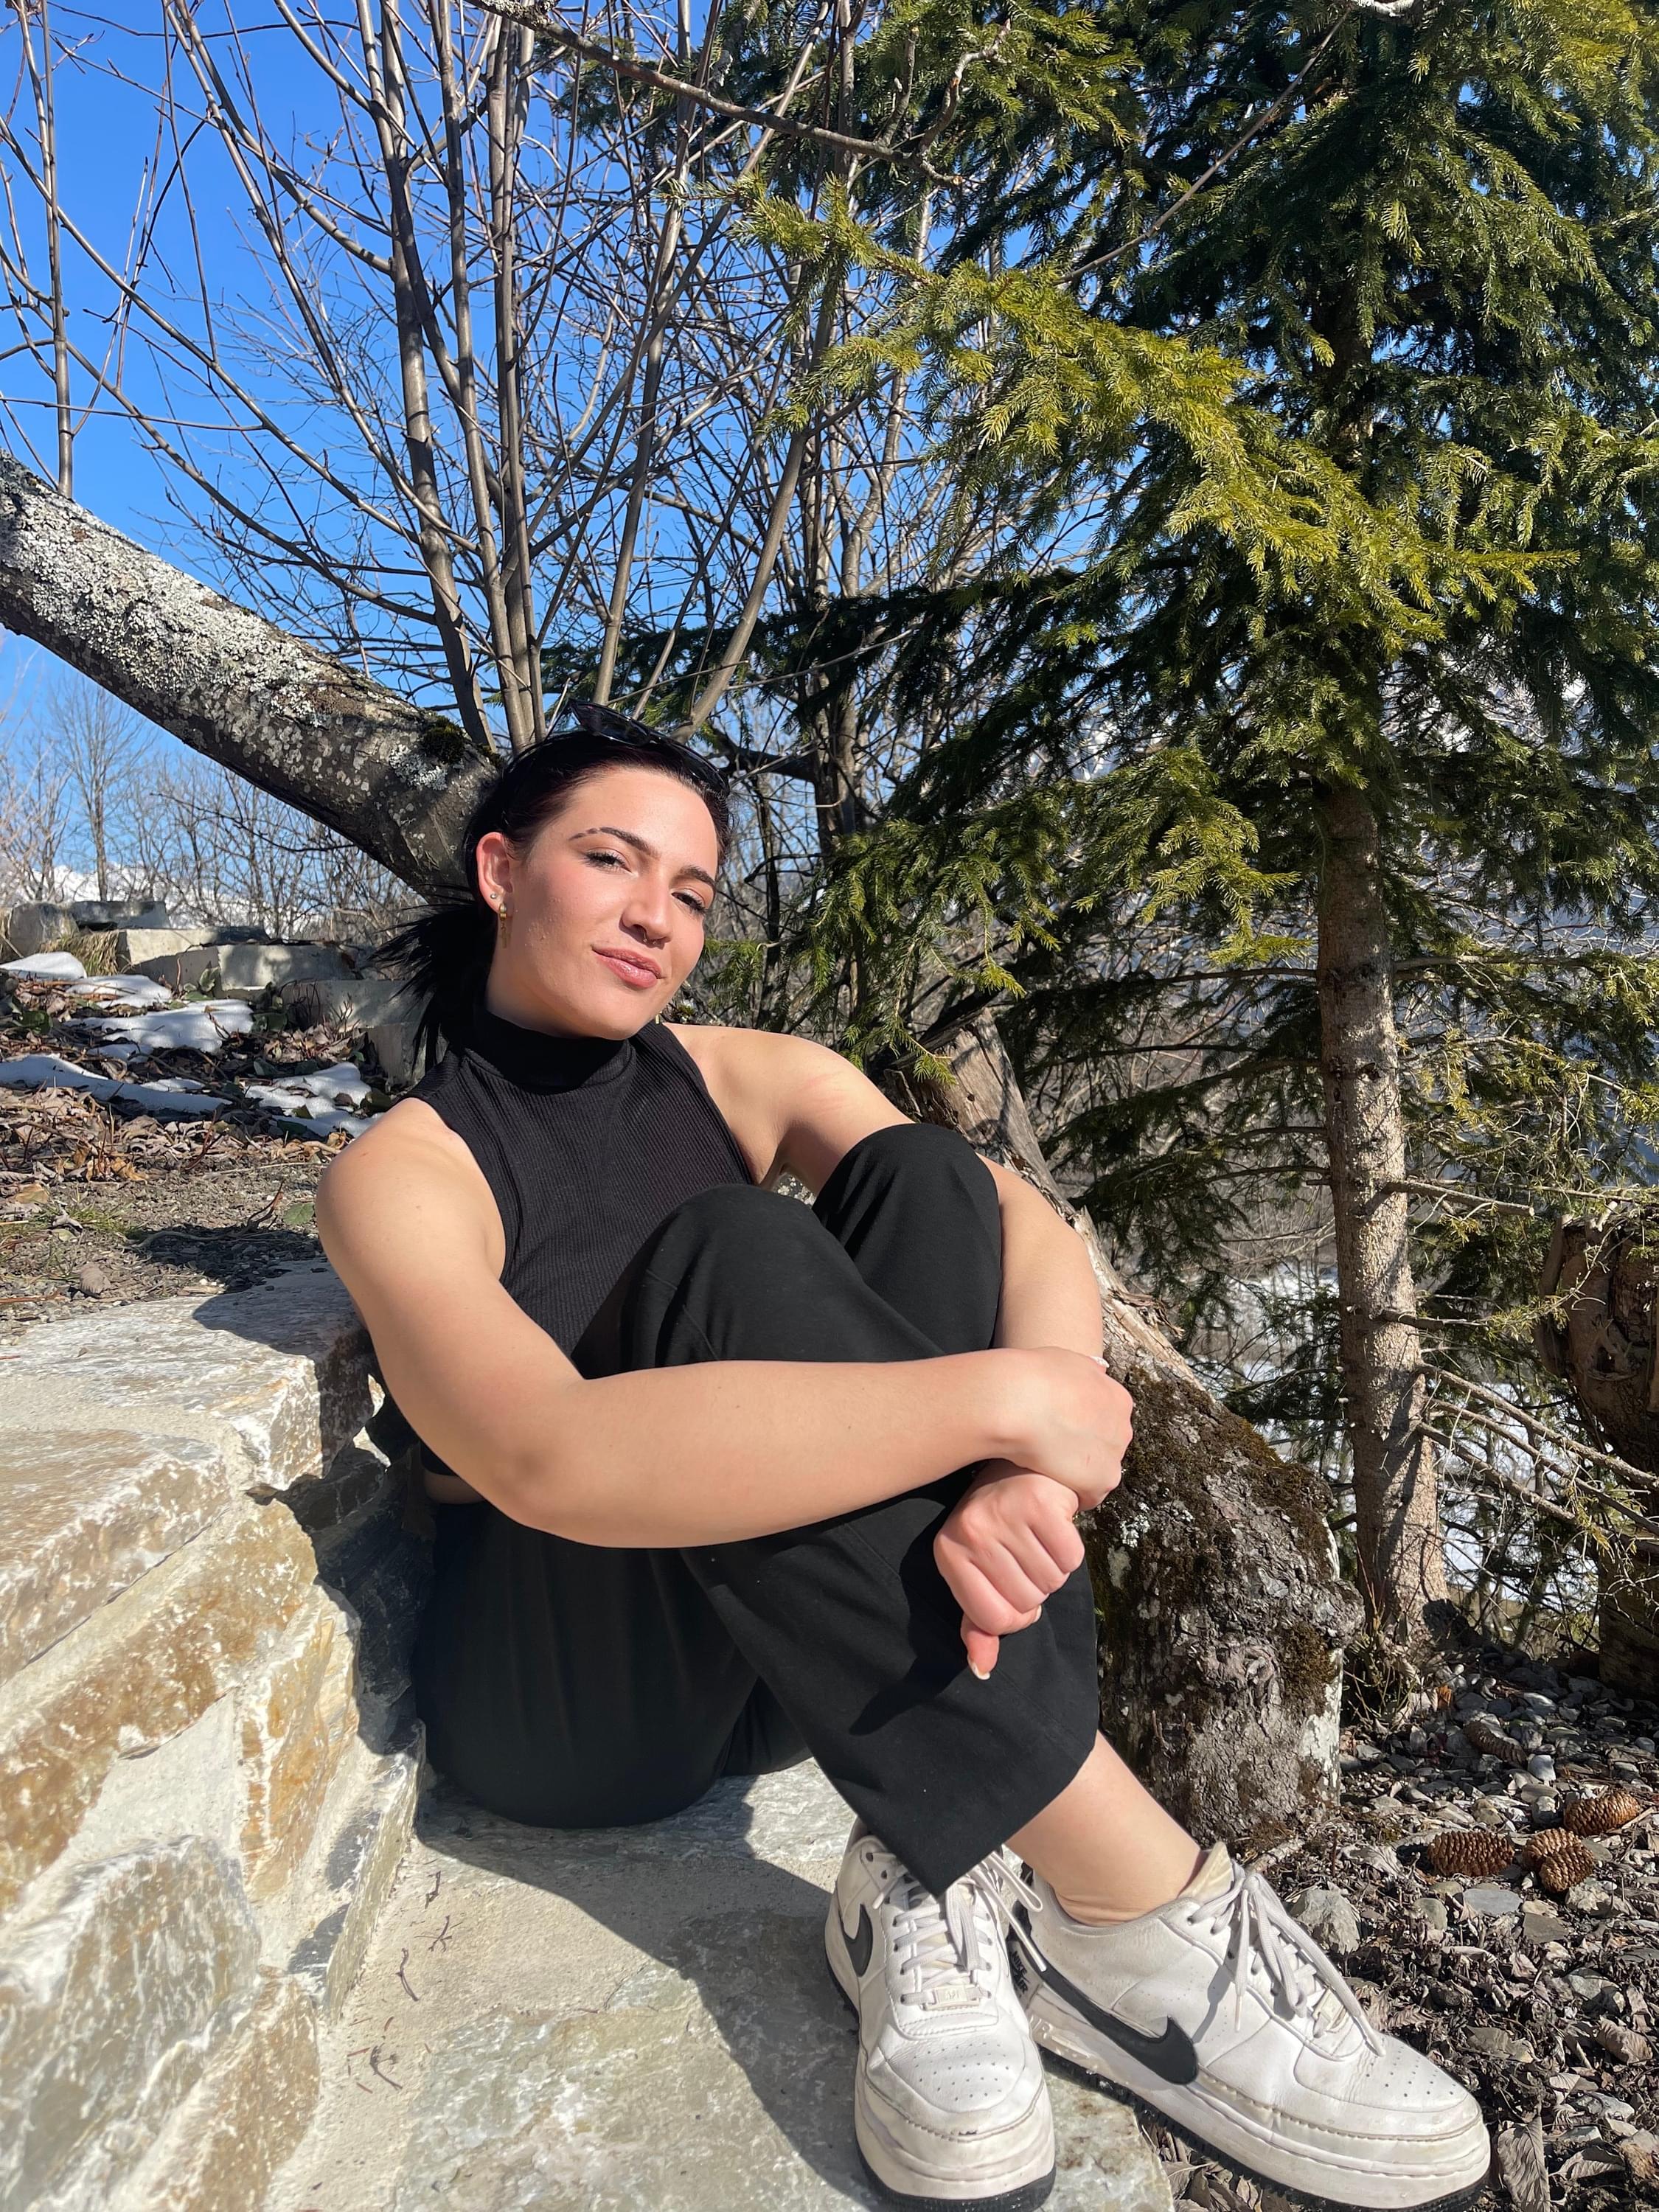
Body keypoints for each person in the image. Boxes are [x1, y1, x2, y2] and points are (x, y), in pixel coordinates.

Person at [316, 707, 1492, 2212]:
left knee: (929, 1175)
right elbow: (548, 1456)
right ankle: (1129, 1903)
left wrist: (1028, 1475)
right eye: (611, 861)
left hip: (785, 1673)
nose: (651, 918)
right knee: (738, 1252)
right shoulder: (409, 1167)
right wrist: (993, 1404)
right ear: (499, 866)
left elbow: (1027, 1237)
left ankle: (923, 1876)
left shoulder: (742, 1073)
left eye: (689, 893)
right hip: (572, 1708)